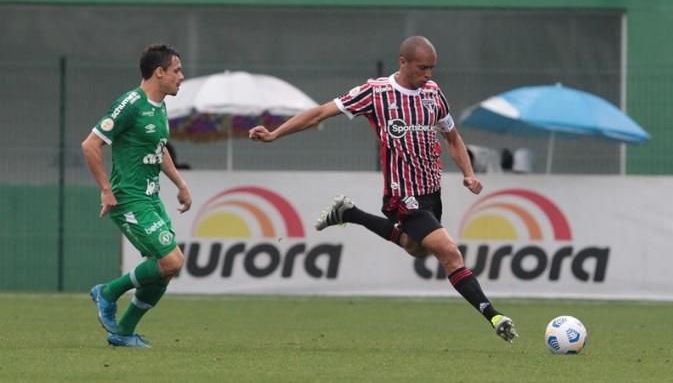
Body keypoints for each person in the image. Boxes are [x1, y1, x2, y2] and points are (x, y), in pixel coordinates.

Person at [249, 35, 518, 343]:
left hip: (431, 193)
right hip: (402, 194)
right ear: (403, 63)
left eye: (432, 68)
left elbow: (453, 137)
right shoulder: (376, 93)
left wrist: (468, 174)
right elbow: (321, 112)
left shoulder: (433, 94)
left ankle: (350, 213)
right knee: (449, 252)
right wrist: (275, 134)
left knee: (416, 249)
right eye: (422, 68)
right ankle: (494, 315)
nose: (428, 75)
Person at [81, 44, 192, 348]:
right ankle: (108, 292)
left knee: (164, 272)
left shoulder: (160, 106)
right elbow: (90, 145)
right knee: (171, 261)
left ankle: (123, 331)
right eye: (177, 70)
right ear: (159, 72)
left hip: (151, 198)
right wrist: (105, 189)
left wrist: (180, 184)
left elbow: (159, 151)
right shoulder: (130, 103)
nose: (181, 76)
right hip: (128, 199)